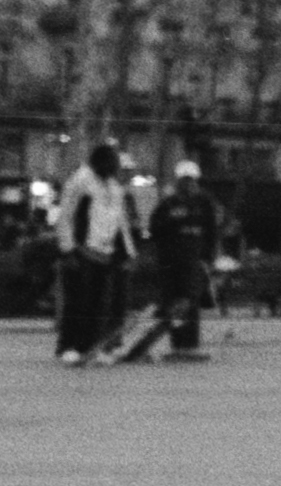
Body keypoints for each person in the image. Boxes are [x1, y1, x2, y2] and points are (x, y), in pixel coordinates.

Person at [54, 141, 136, 366]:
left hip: (104, 253)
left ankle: (90, 347)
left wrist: (128, 253)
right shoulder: (80, 182)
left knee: (99, 305)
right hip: (81, 251)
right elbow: (65, 217)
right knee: (77, 303)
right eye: (114, 163)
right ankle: (68, 347)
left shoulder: (113, 187)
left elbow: (121, 223)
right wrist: (67, 249)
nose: (117, 168)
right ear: (100, 162)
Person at [139, 161, 219, 361]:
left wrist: (208, 257)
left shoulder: (205, 203)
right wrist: (172, 220)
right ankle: (177, 344)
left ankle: (190, 345)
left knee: (190, 300)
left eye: (191, 180)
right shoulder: (167, 204)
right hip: (170, 260)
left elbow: (212, 231)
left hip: (193, 260)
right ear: (178, 182)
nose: (188, 184)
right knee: (172, 301)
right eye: (184, 180)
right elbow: (154, 229)